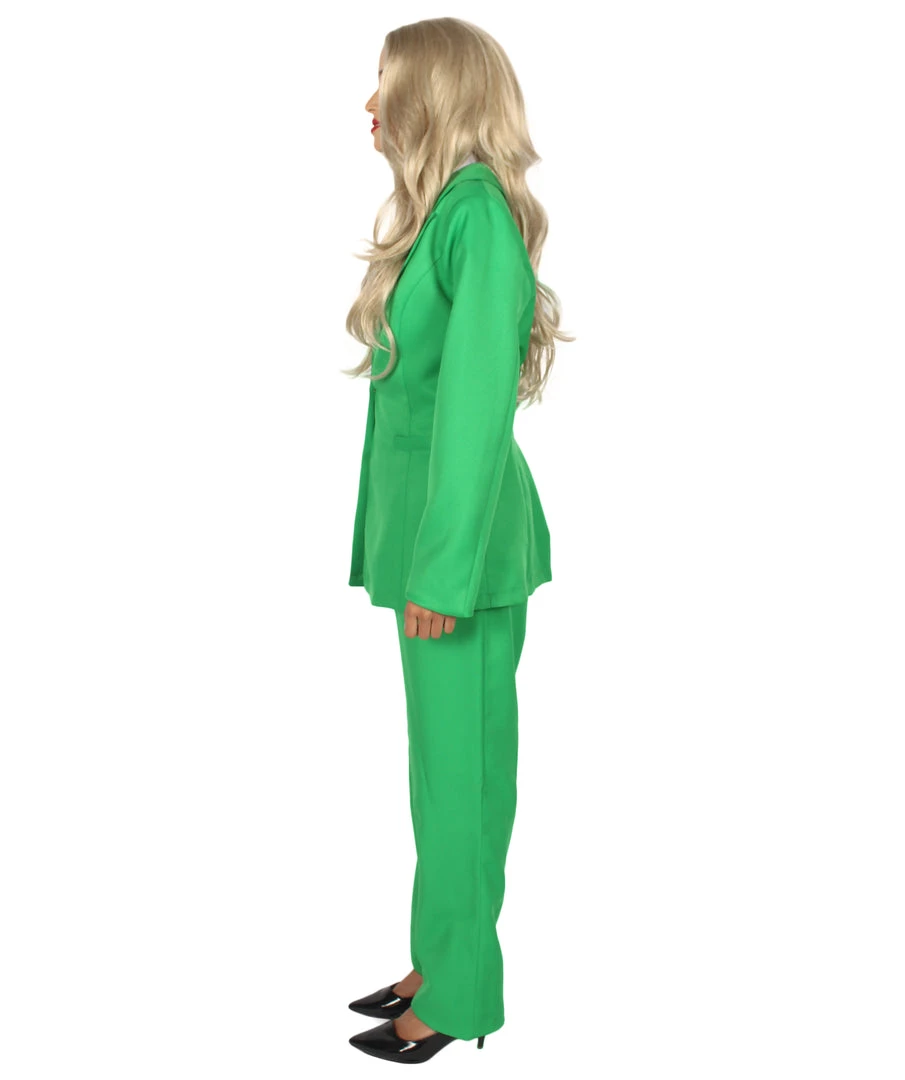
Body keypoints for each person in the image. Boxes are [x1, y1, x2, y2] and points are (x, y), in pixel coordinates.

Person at [342, 17, 572, 1064]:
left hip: (462, 562)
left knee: (463, 775)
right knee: (443, 775)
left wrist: (438, 569)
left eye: (384, 84)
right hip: (435, 552)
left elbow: (475, 411)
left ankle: (462, 994)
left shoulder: (475, 216)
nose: (369, 105)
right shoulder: (449, 214)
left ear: (432, 95)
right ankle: (441, 955)